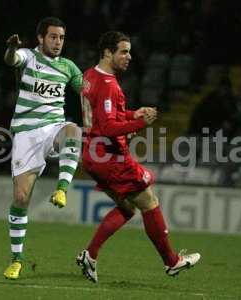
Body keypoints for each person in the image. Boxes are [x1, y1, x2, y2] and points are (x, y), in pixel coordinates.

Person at [76, 31, 201, 283]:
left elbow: (104, 118)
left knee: (128, 207)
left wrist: (133, 115)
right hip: (110, 157)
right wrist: (140, 123)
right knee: (149, 201)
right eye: (123, 51)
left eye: (129, 51)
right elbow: (109, 128)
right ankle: (172, 261)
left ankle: (90, 254)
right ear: (108, 52)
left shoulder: (89, 76)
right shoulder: (109, 84)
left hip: (91, 154)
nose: (129, 56)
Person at [3, 17, 82, 279]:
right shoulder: (28, 56)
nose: (58, 42)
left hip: (52, 128)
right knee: (21, 198)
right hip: (26, 133)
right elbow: (12, 60)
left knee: (73, 130)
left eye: (61, 37)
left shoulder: (68, 67)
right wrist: (12, 49)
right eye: (53, 37)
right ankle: (16, 260)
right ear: (40, 38)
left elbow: (88, 90)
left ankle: (62, 190)